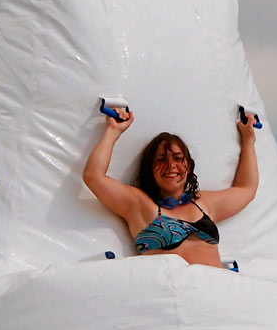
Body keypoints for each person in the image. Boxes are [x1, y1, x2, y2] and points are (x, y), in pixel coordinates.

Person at [82, 109, 259, 268]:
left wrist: (248, 139)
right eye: (160, 159)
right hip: (176, 296)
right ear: (149, 169)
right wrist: (113, 131)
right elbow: (94, 177)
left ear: (188, 166)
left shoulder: (204, 203)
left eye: (177, 158)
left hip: (214, 292)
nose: (170, 165)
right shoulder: (141, 205)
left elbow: (247, 189)